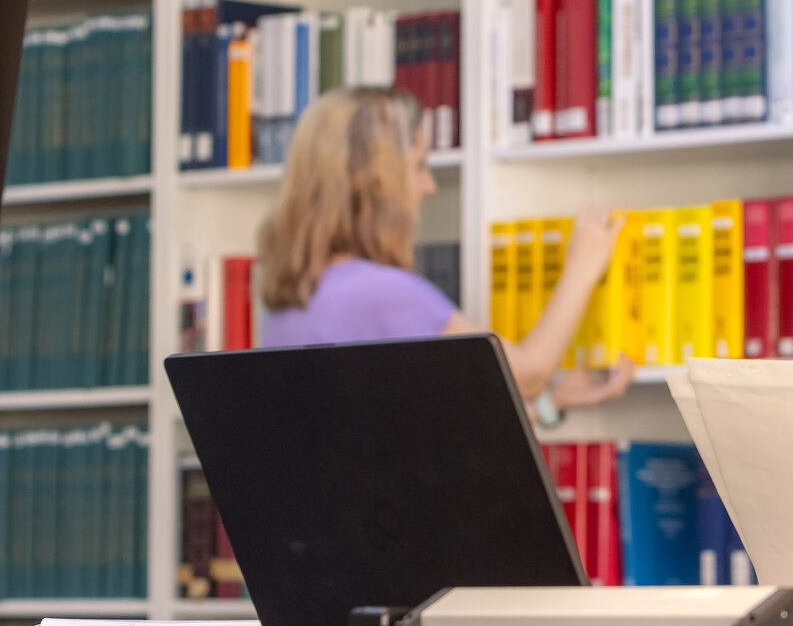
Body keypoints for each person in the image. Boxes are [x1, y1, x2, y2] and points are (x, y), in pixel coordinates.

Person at [257, 86, 633, 419]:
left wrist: (553, 405)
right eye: (418, 166)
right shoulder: (383, 294)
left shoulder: (293, 298)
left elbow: (407, 429)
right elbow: (530, 376)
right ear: (371, 181)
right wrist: (583, 267)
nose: (429, 185)